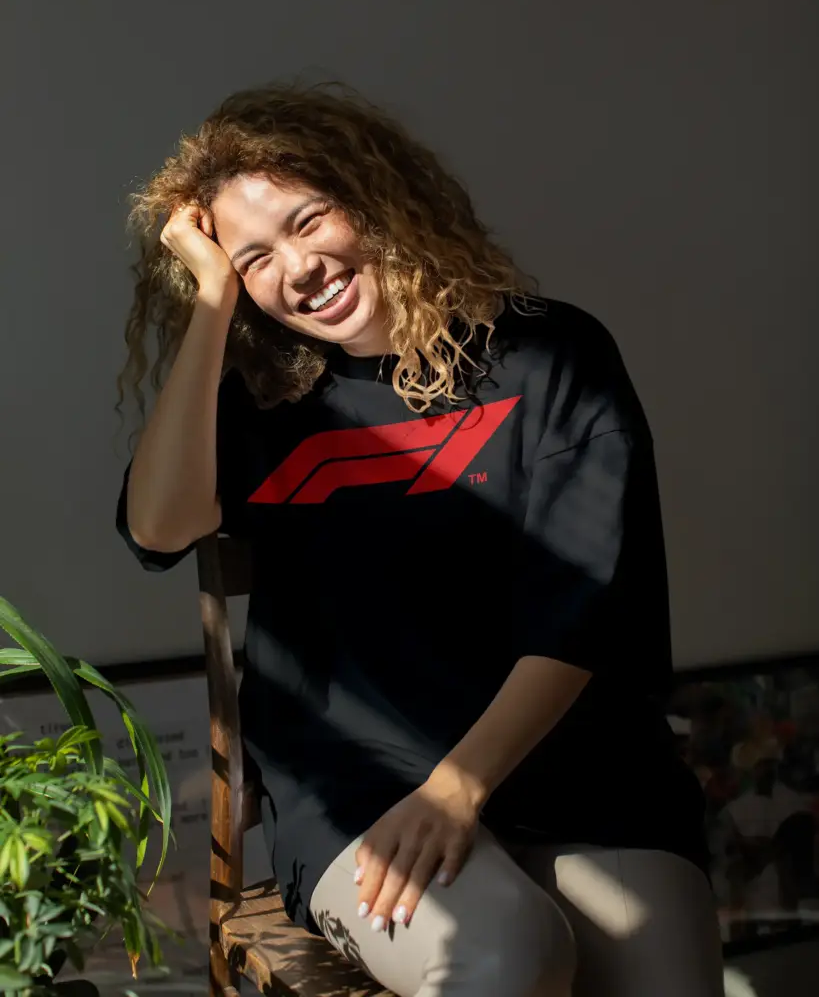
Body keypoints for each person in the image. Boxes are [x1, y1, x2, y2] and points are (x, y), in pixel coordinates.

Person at [116, 82, 724, 996]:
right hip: (359, 789)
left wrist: (458, 787)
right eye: (253, 260)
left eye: (309, 220)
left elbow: (586, 612)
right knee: (509, 955)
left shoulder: (552, 355)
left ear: (375, 193)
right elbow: (158, 528)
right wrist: (209, 304)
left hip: (578, 768)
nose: (297, 268)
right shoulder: (267, 399)